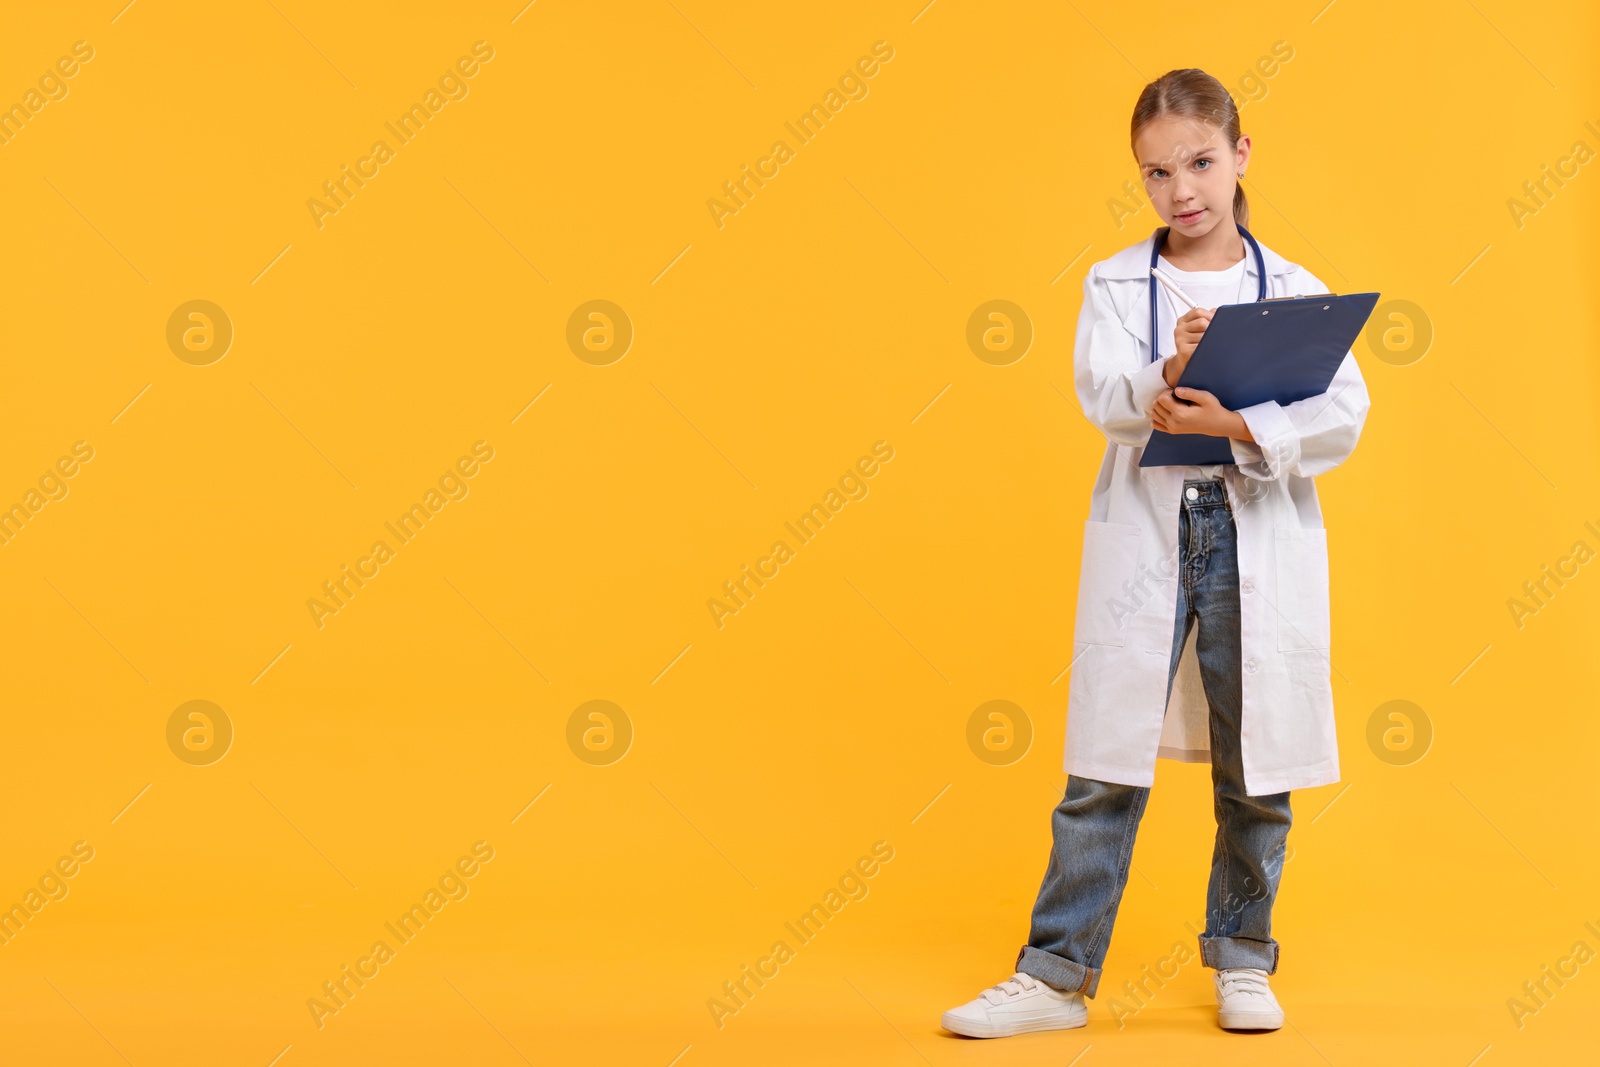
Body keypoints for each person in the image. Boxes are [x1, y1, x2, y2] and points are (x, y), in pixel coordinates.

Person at [941, 68, 1371, 1037]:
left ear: (1240, 156)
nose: (1182, 189)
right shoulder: (1116, 281)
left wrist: (1241, 422)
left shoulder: (1296, 290)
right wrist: (1167, 371)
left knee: (1257, 752)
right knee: (1104, 757)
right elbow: (1101, 396)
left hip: (1250, 525)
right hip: (1151, 526)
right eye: (1156, 172)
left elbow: (1342, 414)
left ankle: (1244, 955)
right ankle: (1054, 975)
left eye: (1200, 162)